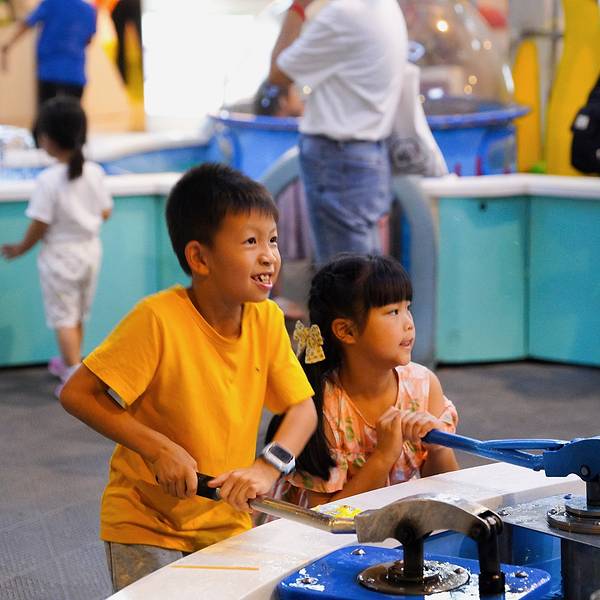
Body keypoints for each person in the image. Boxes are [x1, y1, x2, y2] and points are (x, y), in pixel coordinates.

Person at [59, 163, 317, 592]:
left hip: (227, 519)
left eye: (272, 240)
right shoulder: (157, 319)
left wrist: (267, 467)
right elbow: (78, 393)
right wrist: (157, 449)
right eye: (250, 241)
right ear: (199, 258)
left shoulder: (268, 320)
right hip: (146, 521)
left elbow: (302, 409)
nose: (269, 255)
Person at [266, 254, 459, 508]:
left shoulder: (423, 386)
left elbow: (448, 494)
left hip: (394, 527)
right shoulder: (323, 407)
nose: (409, 324)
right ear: (347, 331)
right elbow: (325, 516)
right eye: (393, 312)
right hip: (319, 531)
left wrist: (438, 447)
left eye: (407, 308)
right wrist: (383, 457)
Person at [269, 0, 407, 265]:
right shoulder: (387, 8)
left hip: (338, 161)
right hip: (369, 155)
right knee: (365, 272)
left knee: (344, 279)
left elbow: (278, 73)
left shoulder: (343, 15)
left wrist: (297, 8)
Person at [1, 97, 112, 392]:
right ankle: (70, 362)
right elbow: (105, 211)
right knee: (78, 314)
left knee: (63, 316)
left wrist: (19, 249)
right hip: (90, 251)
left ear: (47, 139)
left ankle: (73, 378)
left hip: (61, 257)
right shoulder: (94, 172)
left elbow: (40, 224)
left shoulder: (48, 181)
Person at [0, 0, 97, 107]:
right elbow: (88, 40)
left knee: (47, 114)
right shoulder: (89, 10)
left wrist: (8, 44)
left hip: (49, 72)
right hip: (75, 75)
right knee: (72, 114)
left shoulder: (50, 3)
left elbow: (27, 23)